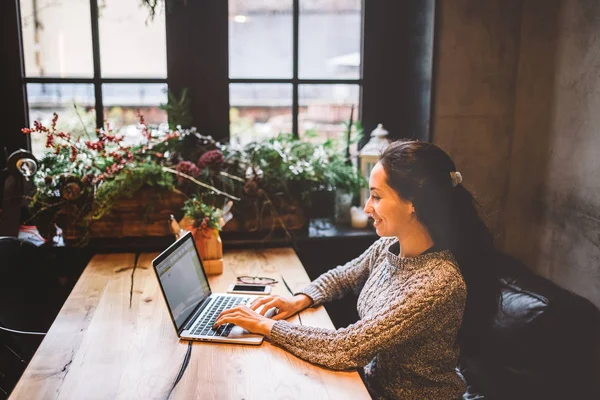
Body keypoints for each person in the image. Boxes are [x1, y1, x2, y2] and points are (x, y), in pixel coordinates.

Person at [215, 140, 499, 399]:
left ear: (413, 204)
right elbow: (344, 276)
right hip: (372, 389)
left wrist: (265, 325)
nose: (366, 208)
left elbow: (345, 348)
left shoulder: (437, 283)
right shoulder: (389, 245)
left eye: (376, 197)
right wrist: (300, 298)